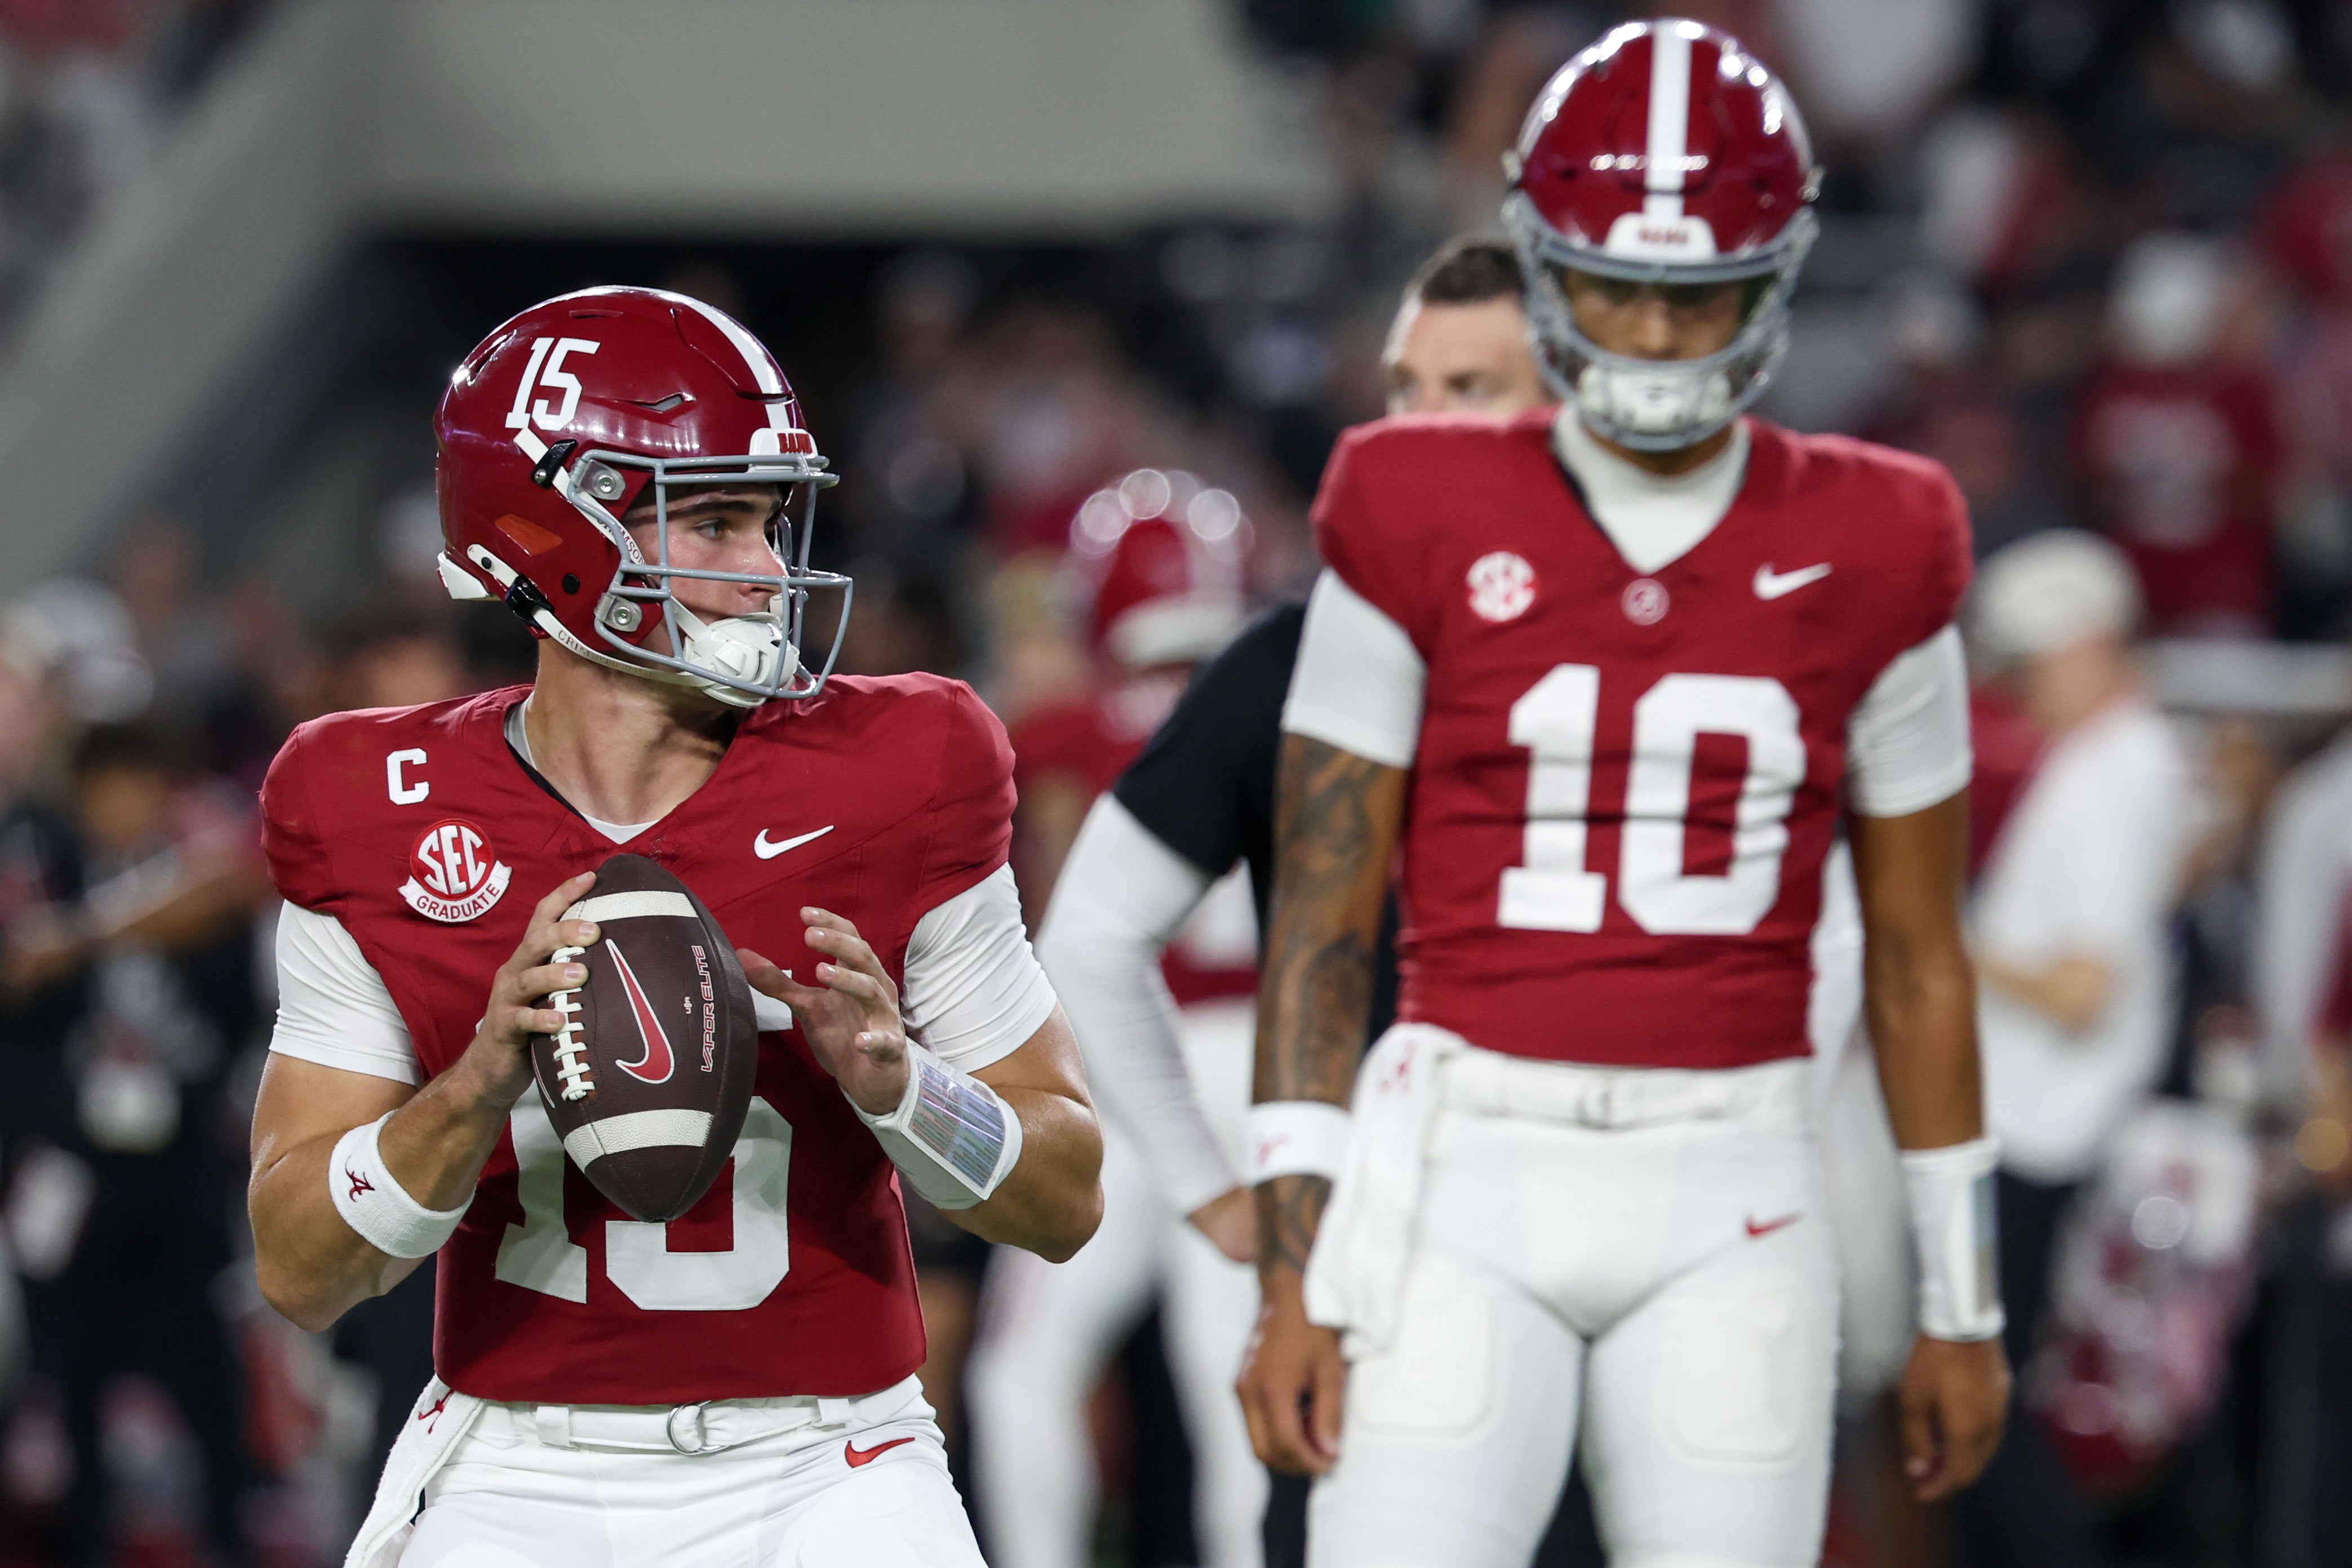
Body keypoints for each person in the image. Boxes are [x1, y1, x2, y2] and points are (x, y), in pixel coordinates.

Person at [1236, 22, 2011, 1568]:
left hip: (1733, 1177)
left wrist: (1961, 1298)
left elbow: (1920, 956)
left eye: (1696, 295)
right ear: (1540, 267)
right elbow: (1320, 921)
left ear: (1773, 278)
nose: (1654, 335)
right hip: (1457, 1166)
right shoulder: (1407, 498)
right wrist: (1287, 1271)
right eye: (1613, 287)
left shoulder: (1880, 536)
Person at [243, 286, 1104, 1567]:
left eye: (766, 519)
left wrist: (906, 1090)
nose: (765, 570)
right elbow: (302, 1267)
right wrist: (472, 1089)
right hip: (514, 1463)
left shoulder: (904, 763)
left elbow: (1065, 1198)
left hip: (830, 1460)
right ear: (551, 532)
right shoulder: (371, 802)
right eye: (711, 522)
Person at [1036, 238, 1597, 1568]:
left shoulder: (1669, 629)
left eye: (1468, 387)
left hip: (1602, 1228)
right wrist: (1205, 1188)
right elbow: (1089, 937)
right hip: (1375, 1253)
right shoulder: (1287, 655)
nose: (1421, 420)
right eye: (1406, 386)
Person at [966, 473, 1256, 1568]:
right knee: (1234, 1383)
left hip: (1123, 1065)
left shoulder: (1068, 730)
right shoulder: (1288, 714)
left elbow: (1041, 898)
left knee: (1024, 1372)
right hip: (1259, 1065)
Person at [1954, 530, 2195, 1567]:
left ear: (2089, 645)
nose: (2018, 690)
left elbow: (2080, 990)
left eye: (2032, 666)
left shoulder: (2114, 774)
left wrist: (1940, 943)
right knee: (1986, 1408)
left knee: (1985, 1410)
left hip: (2044, 1132)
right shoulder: (2120, 761)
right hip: (2042, 1123)